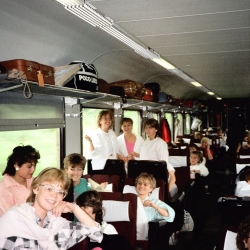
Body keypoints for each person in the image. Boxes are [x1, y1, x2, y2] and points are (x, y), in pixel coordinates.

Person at [0, 167, 102, 249]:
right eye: (49, 189)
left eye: (60, 192)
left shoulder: (55, 224)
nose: (54, 195)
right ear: (36, 189)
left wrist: (74, 208)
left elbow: (96, 233)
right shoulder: (16, 218)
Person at [63, 153, 108, 220]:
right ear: (66, 170)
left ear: (82, 171)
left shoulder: (83, 182)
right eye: (72, 169)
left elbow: (89, 192)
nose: (76, 173)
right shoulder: (63, 186)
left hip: (83, 220)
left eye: (79, 169)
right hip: (68, 220)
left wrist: (99, 187)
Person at [139, 118, 177, 197]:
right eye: (146, 127)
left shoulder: (160, 143)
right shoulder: (145, 142)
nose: (148, 130)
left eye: (150, 127)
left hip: (156, 173)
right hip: (145, 172)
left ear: (156, 129)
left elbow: (163, 163)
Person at [0, 145, 40, 217]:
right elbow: (11, 219)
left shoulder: (36, 182)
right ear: (17, 165)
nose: (33, 170)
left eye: (34, 165)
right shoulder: (4, 189)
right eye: (29, 166)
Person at [135, 172, 175, 240]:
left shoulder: (155, 202)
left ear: (151, 189)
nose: (141, 186)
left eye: (145, 184)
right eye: (139, 183)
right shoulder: (129, 199)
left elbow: (170, 215)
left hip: (145, 233)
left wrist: (154, 206)